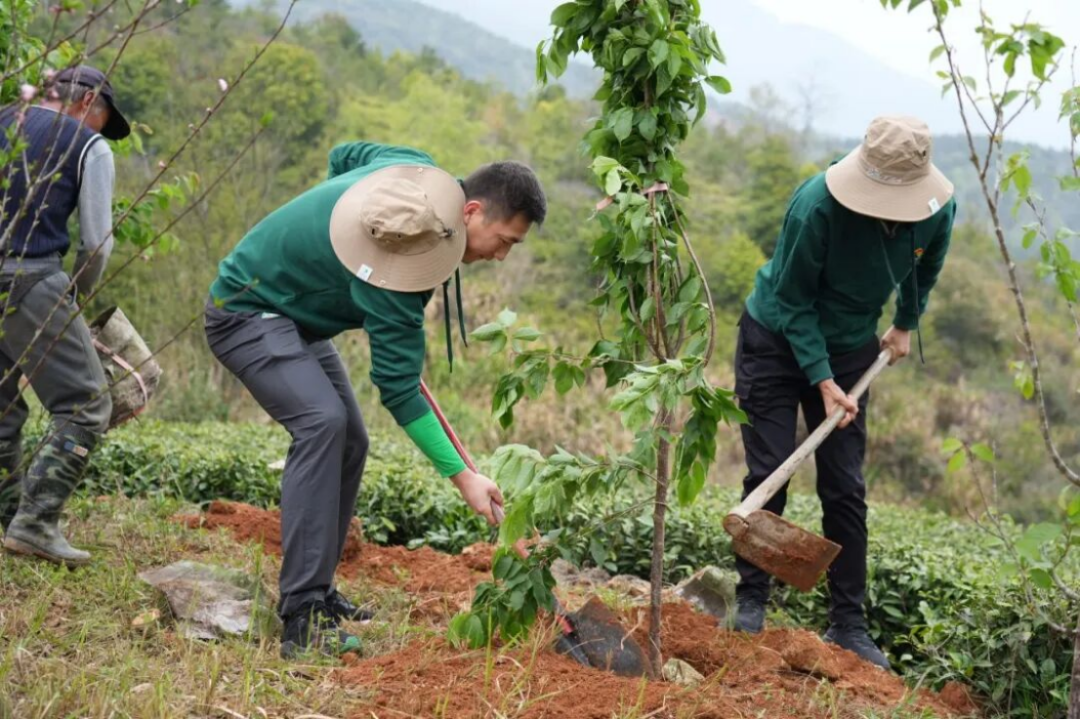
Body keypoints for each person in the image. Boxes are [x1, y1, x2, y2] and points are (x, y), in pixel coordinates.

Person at [205, 140, 546, 659]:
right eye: (503, 242)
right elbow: (400, 389)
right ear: (471, 211)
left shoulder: (416, 168)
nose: (499, 257)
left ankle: (317, 590)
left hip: (296, 322)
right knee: (322, 423)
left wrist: (323, 248)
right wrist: (465, 479)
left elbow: (345, 155)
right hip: (244, 309)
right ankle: (300, 618)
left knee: (351, 440)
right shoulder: (406, 256)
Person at [729, 116, 956, 670]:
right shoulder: (816, 207)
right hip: (778, 339)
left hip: (854, 345)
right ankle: (750, 601)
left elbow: (925, 270)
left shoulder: (936, 209)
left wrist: (905, 321)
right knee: (770, 471)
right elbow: (793, 301)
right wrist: (823, 381)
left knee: (845, 488)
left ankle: (848, 623)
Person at [0, 65, 130, 566]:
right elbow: (96, 243)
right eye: (100, 119)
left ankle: (8, 516)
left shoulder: (5, 120)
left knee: (3, 405)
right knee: (86, 402)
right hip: (31, 276)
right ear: (87, 103)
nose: (97, 130)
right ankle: (34, 525)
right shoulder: (88, 145)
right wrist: (73, 295)